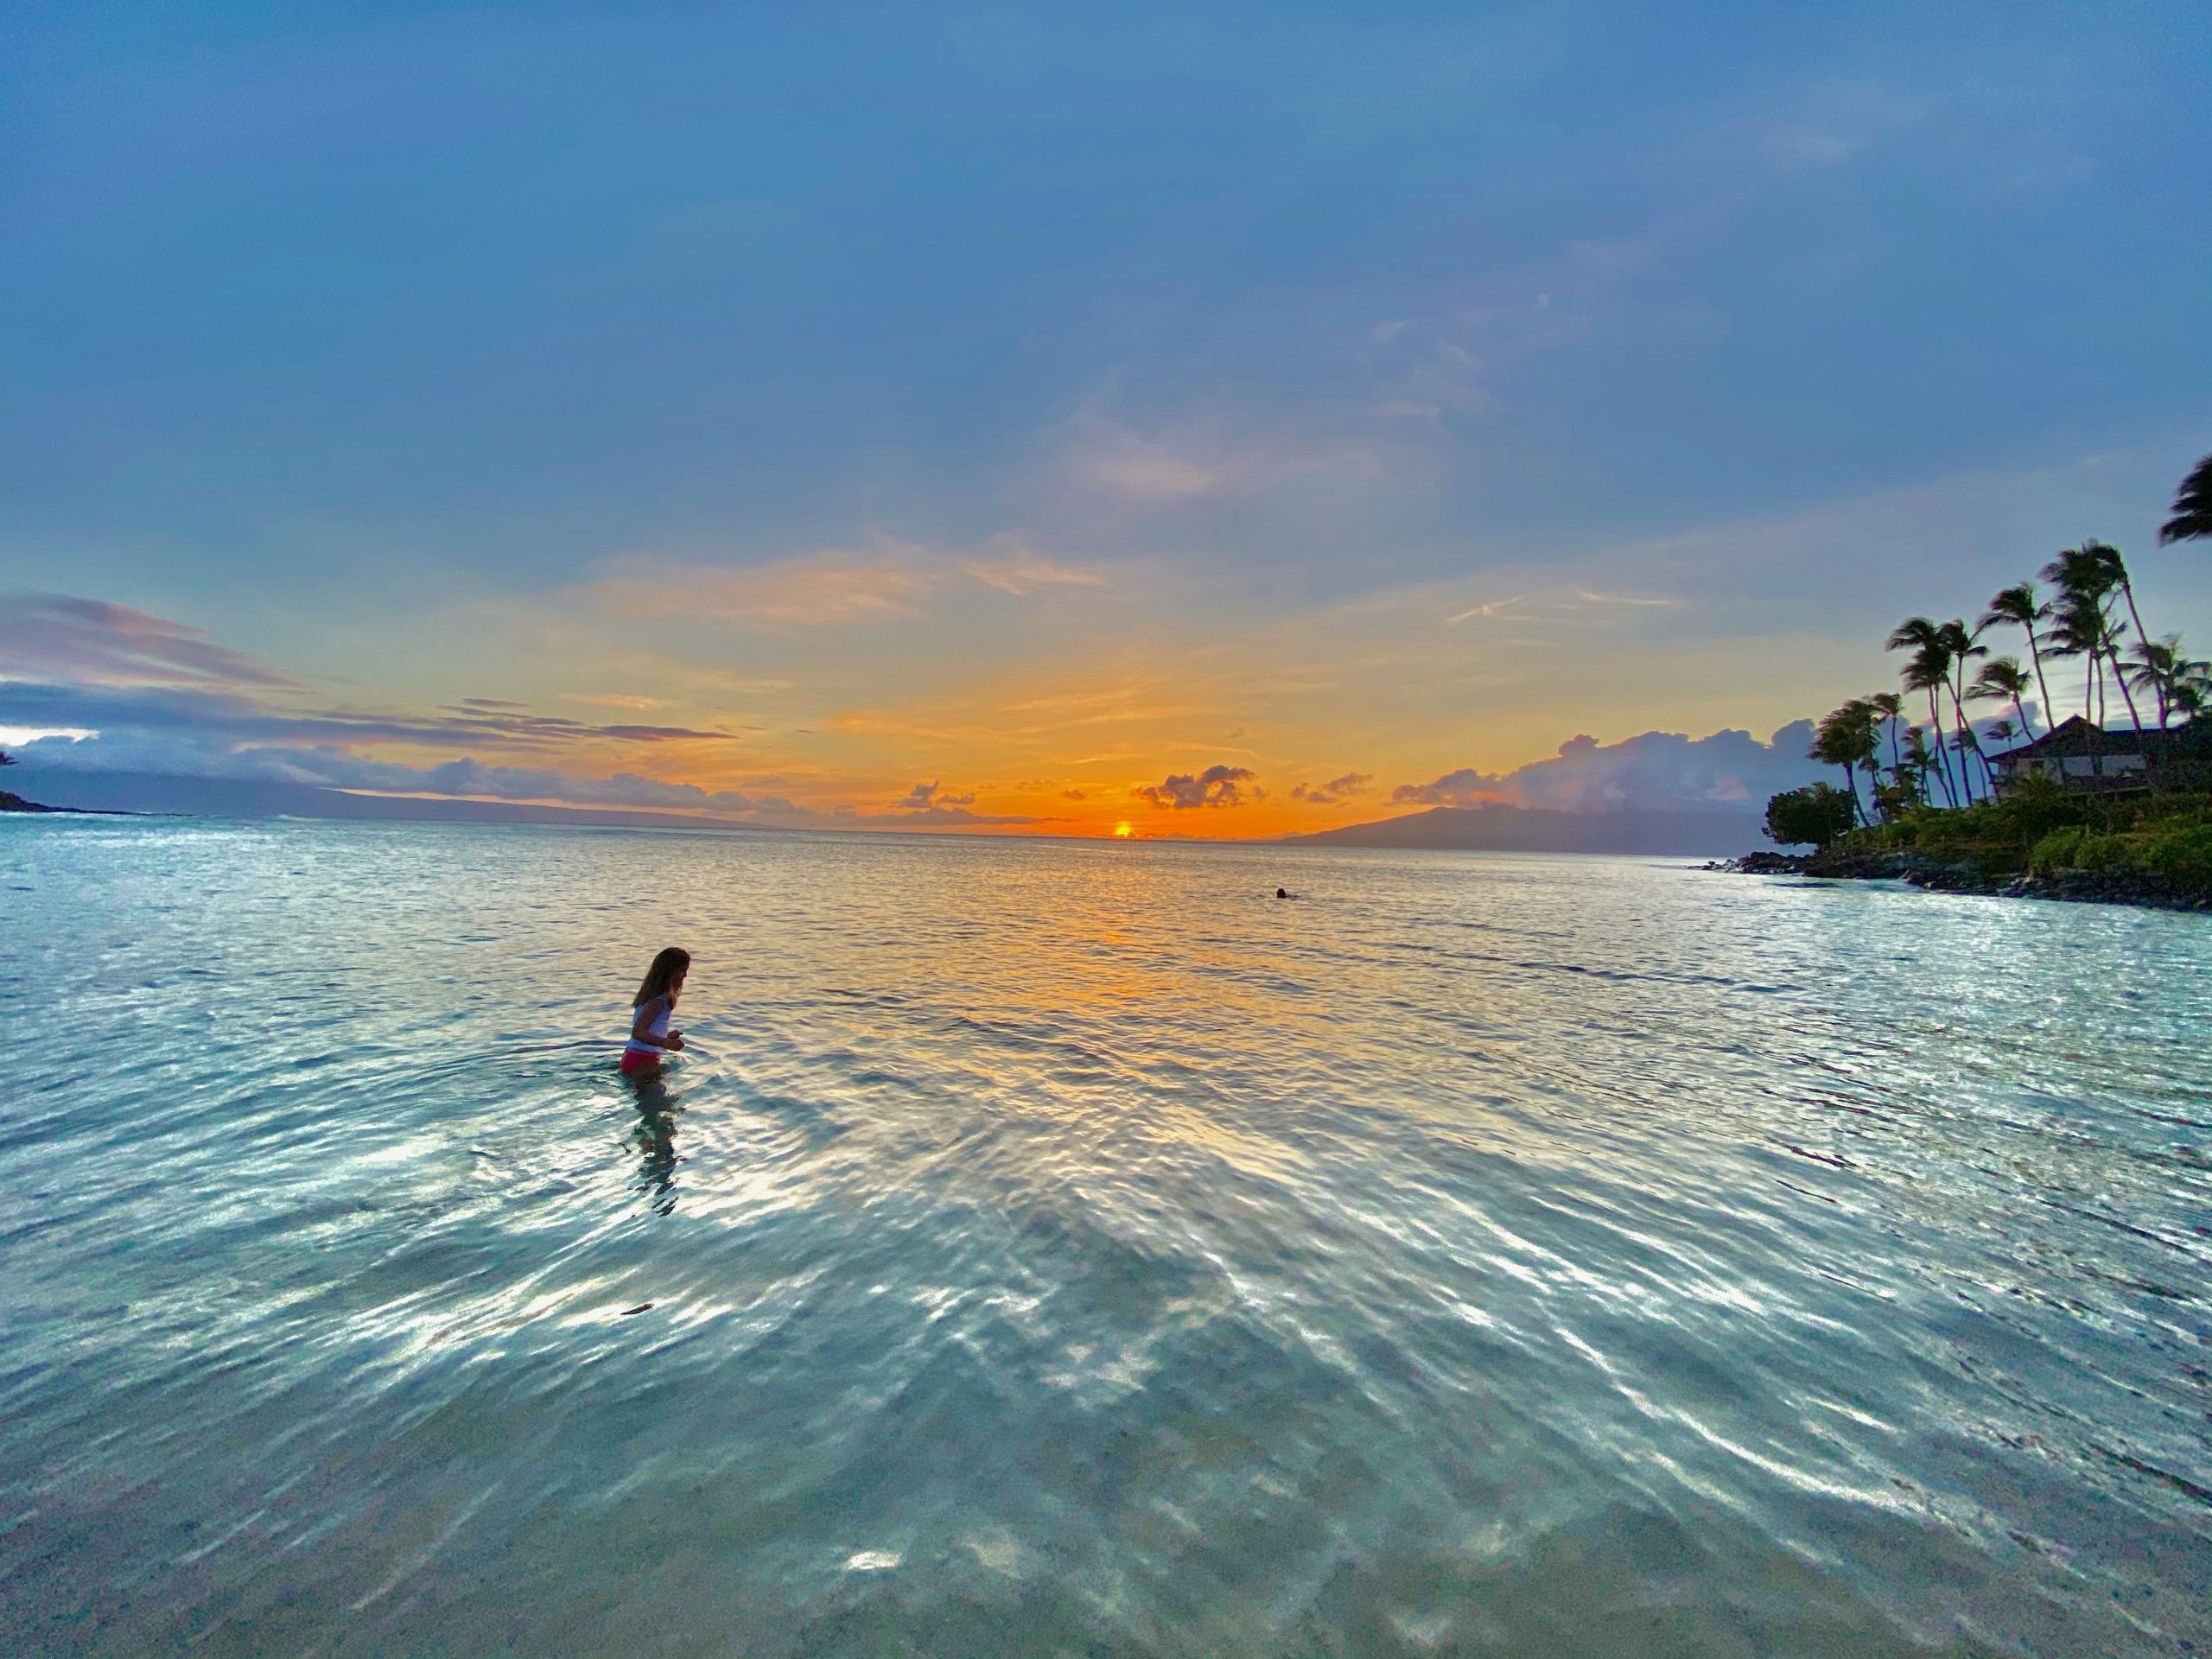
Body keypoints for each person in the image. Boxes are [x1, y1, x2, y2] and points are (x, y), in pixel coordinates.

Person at [622, 946, 690, 1077]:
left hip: (635, 1056)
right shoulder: (660, 1001)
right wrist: (667, 1043)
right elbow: (638, 1032)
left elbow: (647, 1033)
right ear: (670, 971)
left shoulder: (652, 996)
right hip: (643, 1060)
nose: (685, 975)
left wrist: (666, 1036)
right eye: (683, 970)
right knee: (662, 1097)